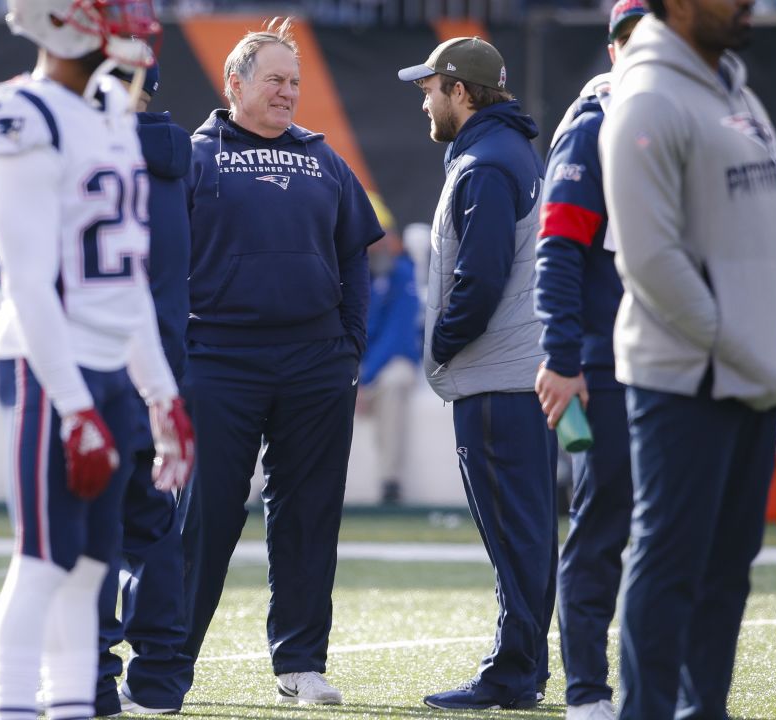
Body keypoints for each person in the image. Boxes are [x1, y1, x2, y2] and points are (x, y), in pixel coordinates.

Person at [0, 1, 195, 718]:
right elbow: (27, 279)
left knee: (91, 567)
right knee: (43, 560)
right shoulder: (19, 112)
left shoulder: (110, 113)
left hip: (108, 363)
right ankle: (14, 706)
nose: (132, 29)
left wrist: (161, 394)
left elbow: (124, 282)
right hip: (47, 364)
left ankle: (72, 706)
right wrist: (74, 408)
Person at [172, 17, 382, 706]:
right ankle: (168, 663)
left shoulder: (325, 158)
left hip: (316, 361)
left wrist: (349, 347)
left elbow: (356, 256)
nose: (288, 93)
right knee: (206, 514)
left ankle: (300, 663)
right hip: (218, 358)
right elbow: (164, 264)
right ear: (235, 83)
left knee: (310, 513)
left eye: (295, 82)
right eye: (274, 81)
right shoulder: (194, 155)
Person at [598, 1, 776, 718]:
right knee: (671, 566)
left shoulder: (738, 90)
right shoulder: (645, 97)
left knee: (727, 571)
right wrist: (742, 345)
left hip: (755, 374)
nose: (744, 2)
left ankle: (703, 709)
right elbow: (649, 260)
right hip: (685, 379)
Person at [397, 37, 556, 711]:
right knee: (529, 533)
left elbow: (480, 278)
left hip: (497, 378)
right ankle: (522, 667)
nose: (424, 100)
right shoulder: (505, 151)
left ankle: (514, 673)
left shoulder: (485, 163)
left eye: (431, 88)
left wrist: (442, 344)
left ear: (461, 91)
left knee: (517, 537)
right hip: (520, 374)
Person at [534, 3, 647, 719]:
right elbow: (559, 251)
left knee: (675, 536)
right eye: (634, 39)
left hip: (680, 360)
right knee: (602, 529)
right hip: (607, 363)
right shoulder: (597, 121)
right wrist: (563, 355)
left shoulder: (695, 116)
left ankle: (655, 688)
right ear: (612, 50)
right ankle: (587, 692)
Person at [88, 63, 197, 717]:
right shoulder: (181, 159)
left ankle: (93, 684)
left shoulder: (91, 158)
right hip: (165, 373)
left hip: (101, 369)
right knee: (156, 536)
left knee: (86, 535)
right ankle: (158, 684)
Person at [357, 193, 421, 505]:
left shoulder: (402, 275)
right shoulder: (345, 274)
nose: (379, 244)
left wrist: (362, 379)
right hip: (353, 365)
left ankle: (389, 481)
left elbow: (396, 338)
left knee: (395, 381)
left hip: (387, 364)